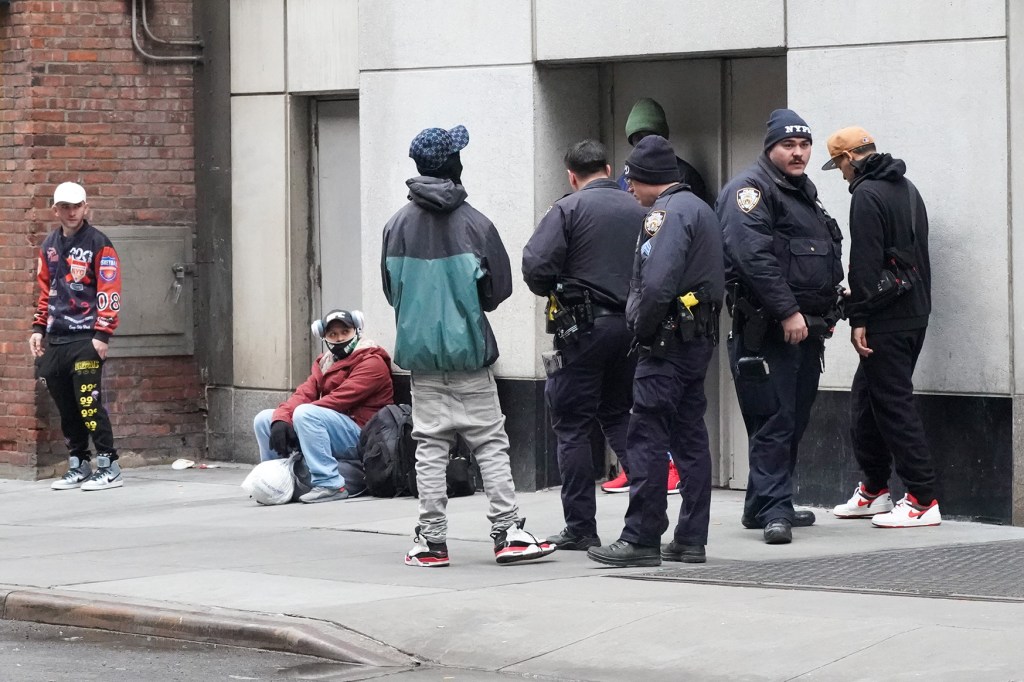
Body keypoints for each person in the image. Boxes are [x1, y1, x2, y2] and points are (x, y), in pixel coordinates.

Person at [381, 123, 557, 567]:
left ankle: (431, 540)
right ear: (455, 166)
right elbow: (498, 292)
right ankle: (506, 531)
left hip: (420, 358)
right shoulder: (476, 224)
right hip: (469, 354)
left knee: (430, 446)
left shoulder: (395, 227)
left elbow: (391, 290)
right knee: (490, 442)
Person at [587, 135, 724, 567]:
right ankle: (690, 537)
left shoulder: (663, 215)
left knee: (646, 436)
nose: (628, 186)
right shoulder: (700, 208)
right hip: (695, 342)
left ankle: (641, 538)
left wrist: (638, 327)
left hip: (664, 347)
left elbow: (656, 283)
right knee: (690, 437)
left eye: (632, 178)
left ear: (649, 179)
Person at [717, 109, 845, 544]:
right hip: (769, 330)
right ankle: (775, 510)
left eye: (804, 145)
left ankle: (764, 504)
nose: (798, 153)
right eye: (788, 145)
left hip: (807, 331)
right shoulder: (750, 191)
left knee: (791, 420)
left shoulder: (801, 193)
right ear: (769, 147)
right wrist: (788, 311)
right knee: (774, 420)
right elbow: (752, 258)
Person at [522, 139, 647, 551]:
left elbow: (537, 267)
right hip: (632, 328)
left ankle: (580, 527)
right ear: (609, 169)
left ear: (572, 176)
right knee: (620, 414)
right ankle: (647, 519)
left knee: (572, 426)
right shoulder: (641, 209)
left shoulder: (567, 209)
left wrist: (558, 284)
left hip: (583, 331)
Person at [821, 126, 940, 527]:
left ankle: (923, 499)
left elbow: (866, 264)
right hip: (913, 312)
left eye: (838, 165)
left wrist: (860, 319)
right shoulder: (907, 188)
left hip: (886, 318)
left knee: (893, 406)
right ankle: (874, 490)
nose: (840, 174)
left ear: (849, 158)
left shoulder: (867, 195)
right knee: (866, 402)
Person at [32, 182, 124, 492]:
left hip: (86, 337)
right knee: (66, 405)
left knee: (89, 403)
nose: (71, 212)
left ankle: (109, 465)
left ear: (86, 207)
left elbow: (109, 290)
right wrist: (38, 328)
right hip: (56, 339)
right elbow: (45, 291)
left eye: (77, 206)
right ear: (55, 209)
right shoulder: (49, 246)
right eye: (65, 207)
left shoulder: (100, 243)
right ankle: (79, 462)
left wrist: (102, 334)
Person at [252, 309, 394, 503]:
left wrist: (292, 420)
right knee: (264, 419)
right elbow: (304, 393)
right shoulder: (325, 362)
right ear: (324, 336)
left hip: (365, 435)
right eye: (332, 334)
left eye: (345, 332)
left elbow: (336, 400)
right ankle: (274, 481)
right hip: (336, 426)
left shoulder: (372, 362)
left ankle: (331, 484)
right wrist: (281, 418)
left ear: (357, 331)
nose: (339, 338)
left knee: (306, 414)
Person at [617, 97, 710, 205]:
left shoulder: (685, 175)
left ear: (661, 138)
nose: (645, 143)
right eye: (638, 138)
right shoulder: (626, 178)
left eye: (649, 136)